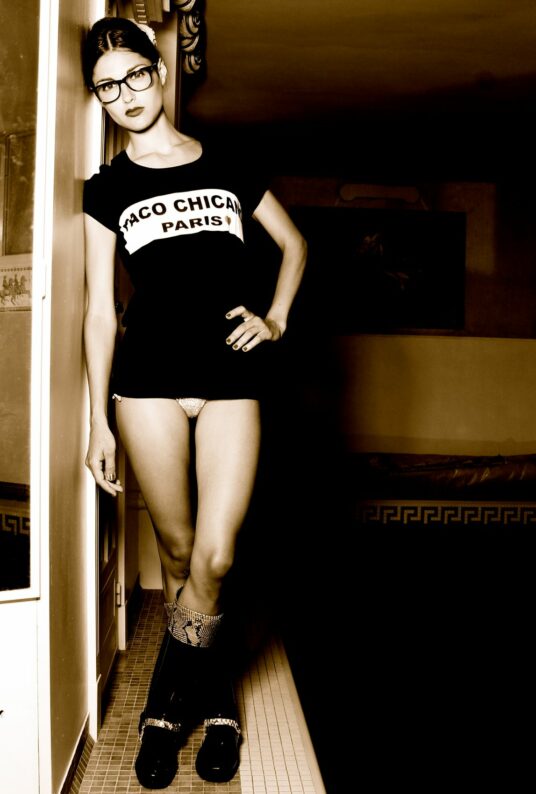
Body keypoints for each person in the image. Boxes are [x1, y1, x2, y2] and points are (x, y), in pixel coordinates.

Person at [81, 16, 306, 789]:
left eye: (135, 75)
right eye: (106, 86)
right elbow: (99, 310)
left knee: (216, 557)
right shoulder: (107, 188)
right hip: (145, 383)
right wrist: (96, 420)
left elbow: (295, 244)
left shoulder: (230, 164)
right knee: (178, 556)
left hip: (231, 379)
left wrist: (275, 318)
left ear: (159, 72)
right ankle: (219, 709)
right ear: (99, 98)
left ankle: (162, 706)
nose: (125, 94)